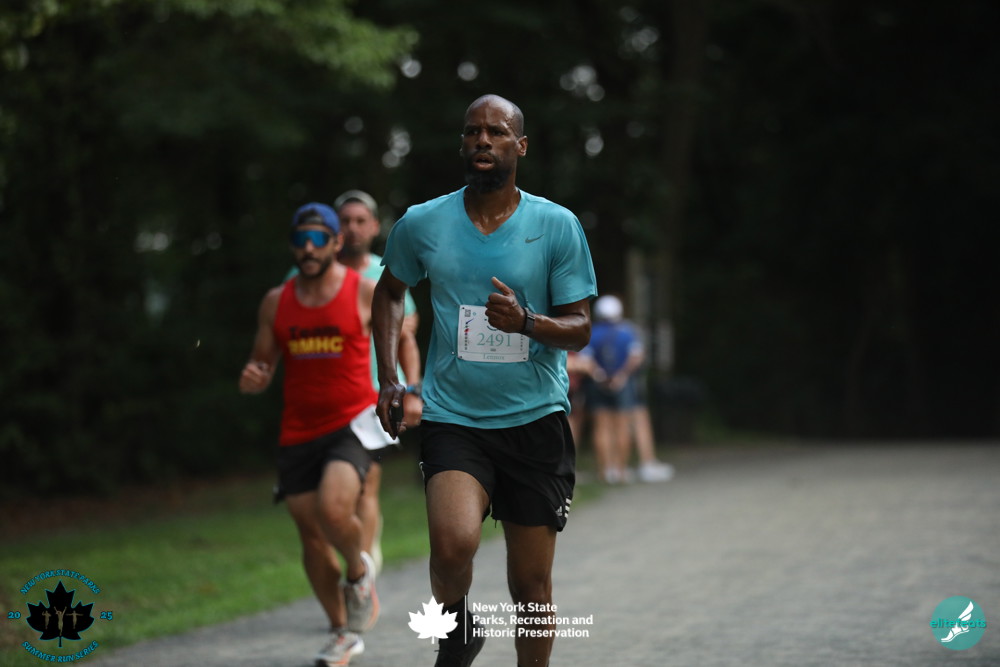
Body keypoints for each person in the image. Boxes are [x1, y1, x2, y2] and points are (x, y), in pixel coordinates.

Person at [371, 94, 598, 667]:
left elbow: (579, 329)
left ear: (520, 146)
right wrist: (390, 379)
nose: (482, 140)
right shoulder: (423, 223)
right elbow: (390, 291)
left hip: (534, 418)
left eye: (496, 132)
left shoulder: (556, 225)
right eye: (473, 131)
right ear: (462, 143)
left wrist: (526, 322)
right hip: (455, 416)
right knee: (451, 548)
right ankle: (458, 633)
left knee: (531, 587)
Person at [239, 203, 379, 666]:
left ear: (337, 243)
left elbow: (398, 337)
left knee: (334, 510)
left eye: (319, 239)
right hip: (298, 429)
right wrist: (255, 375)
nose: (309, 248)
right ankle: (342, 632)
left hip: (352, 422)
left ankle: (358, 573)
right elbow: (263, 359)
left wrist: (407, 388)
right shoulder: (276, 301)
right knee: (311, 536)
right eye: (301, 240)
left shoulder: (364, 291)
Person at [334, 189, 424, 573]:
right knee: (332, 497)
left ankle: (363, 573)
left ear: (374, 227)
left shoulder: (385, 276)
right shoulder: (311, 276)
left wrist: (413, 391)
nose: (352, 229)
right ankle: (354, 561)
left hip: (374, 395)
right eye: (345, 221)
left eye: (360, 221)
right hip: (327, 398)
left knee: (366, 485)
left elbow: (406, 336)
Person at [583, 294, 674, 484]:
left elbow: (586, 359)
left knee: (601, 426)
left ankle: (605, 472)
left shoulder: (591, 332)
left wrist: (599, 374)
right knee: (622, 426)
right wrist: (621, 375)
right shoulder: (627, 331)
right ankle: (621, 471)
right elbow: (636, 356)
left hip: (597, 383)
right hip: (623, 384)